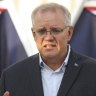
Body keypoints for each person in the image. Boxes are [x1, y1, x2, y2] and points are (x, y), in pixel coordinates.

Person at [1, 2, 96, 96]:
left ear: (69, 33)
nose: (48, 37)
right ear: (34, 34)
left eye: (56, 30)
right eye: (41, 31)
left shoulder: (92, 71)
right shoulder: (11, 76)